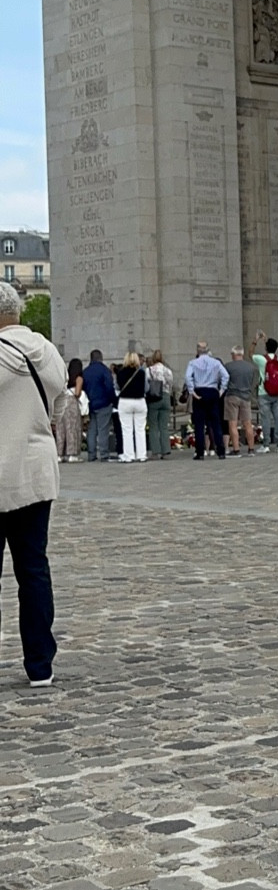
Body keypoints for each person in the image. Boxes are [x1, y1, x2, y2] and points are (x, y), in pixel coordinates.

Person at [0, 280, 68, 685]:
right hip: (35, 472)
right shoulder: (47, 351)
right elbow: (58, 407)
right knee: (34, 569)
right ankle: (40, 664)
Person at [184, 341, 229, 461]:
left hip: (199, 391)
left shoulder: (193, 363)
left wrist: (192, 391)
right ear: (208, 349)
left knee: (199, 424)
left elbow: (188, 377)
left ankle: (200, 452)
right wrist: (221, 390)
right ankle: (221, 451)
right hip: (212, 390)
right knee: (216, 422)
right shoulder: (216, 362)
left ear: (197, 350)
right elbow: (226, 376)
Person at [251, 333, 278, 452]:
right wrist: (267, 340)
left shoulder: (261, 359)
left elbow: (250, 354)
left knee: (265, 419)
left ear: (266, 348)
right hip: (277, 392)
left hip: (264, 391)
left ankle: (266, 445)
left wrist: (255, 341)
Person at [82, 348, 117, 462]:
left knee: (92, 430)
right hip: (104, 403)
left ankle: (91, 454)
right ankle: (104, 453)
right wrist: (113, 400)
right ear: (101, 358)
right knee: (103, 429)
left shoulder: (85, 372)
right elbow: (109, 387)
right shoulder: (104, 370)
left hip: (90, 405)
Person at [223, 344, 259, 455]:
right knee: (247, 423)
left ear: (234, 354)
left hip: (232, 395)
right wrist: (250, 391)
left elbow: (223, 381)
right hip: (246, 396)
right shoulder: (251, 367)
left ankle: (236, 449)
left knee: (232, 423)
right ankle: (251, 449)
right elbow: (256, 382)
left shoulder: (228, 366)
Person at [113, 352, 148, 462]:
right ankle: (141, 455)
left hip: (125, 401)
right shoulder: (141, 372)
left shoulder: (120, 372)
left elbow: (117, 387)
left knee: (126, 430)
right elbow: (146, 388)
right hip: (140, 401)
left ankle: (129, 456)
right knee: (140, 429)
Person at [145, 350, 174, 459]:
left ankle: (155, 452)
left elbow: (146, 385)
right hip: (165, 397)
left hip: (154, 397)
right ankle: (165, 451)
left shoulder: (148, 370)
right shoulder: (168, 370)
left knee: (153, 426)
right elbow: (171, 384)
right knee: (164, 426)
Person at [54, 358, 85, 462]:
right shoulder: (79, 378)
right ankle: (72, 454)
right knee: (72, 428)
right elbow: (77, 393)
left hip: (62, 402)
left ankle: (59, 454)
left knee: (61, 429)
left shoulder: (64, 377)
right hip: (72, 402)